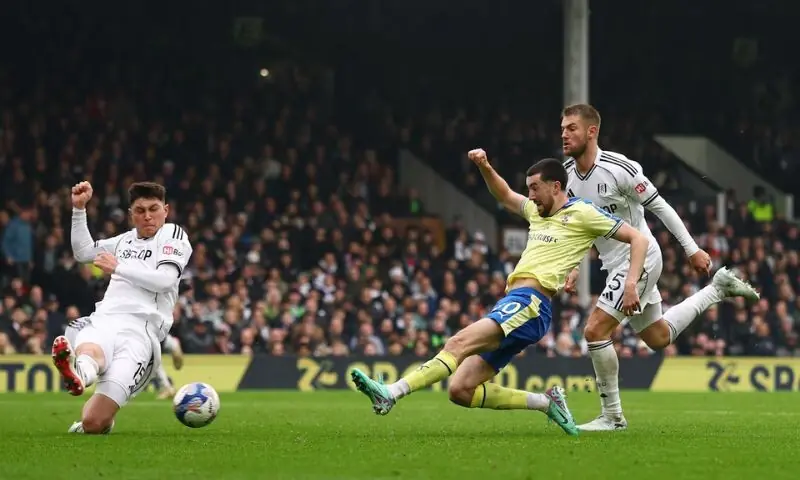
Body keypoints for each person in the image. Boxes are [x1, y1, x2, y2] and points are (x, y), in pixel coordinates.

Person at [350, 149, 651, 436]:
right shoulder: (537, 212)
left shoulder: (583, 213)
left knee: (458, 342)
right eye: (528, 189)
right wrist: (485, 166)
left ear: (556, 186)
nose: (531, 196)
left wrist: (629, 282)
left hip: (531, 303)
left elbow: (638, 238)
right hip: (517, 303)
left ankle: (391, 392)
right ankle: (547, 403)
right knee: (461, 390)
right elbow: (505, 195)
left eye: (535, 188)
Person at [559, 104, 759, 431]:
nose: (564, 134)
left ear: (591, 131)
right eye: (563, 128)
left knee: (595, 331)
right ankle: (717, 289)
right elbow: (582, 227)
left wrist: (692, 249)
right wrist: (573, 266)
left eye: (571, 128)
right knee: (658, 337)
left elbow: (661, 207)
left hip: (642, 257)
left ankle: (613, 417)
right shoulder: (567, 176)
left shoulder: (620, 168)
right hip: (614, 264)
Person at [53, 181, 193, 434]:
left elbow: (165, 280)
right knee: (91, 348)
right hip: (107, 319)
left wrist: (118, 268)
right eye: (140, 210)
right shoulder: (124, 241)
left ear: (166, 210)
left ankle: (83, 383)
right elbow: (83, 252)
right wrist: (79, 209)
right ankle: (78, 374)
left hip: (141, 334)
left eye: (154, 209)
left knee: (93, 423)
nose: (147, 216)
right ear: (131, 214)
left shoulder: (172, 235)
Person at [154, 335, 185, 400]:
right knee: (155, 361)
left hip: (161, 338)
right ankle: (167, 388)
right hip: (151, 341)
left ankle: (168, 388)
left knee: (178, 361)